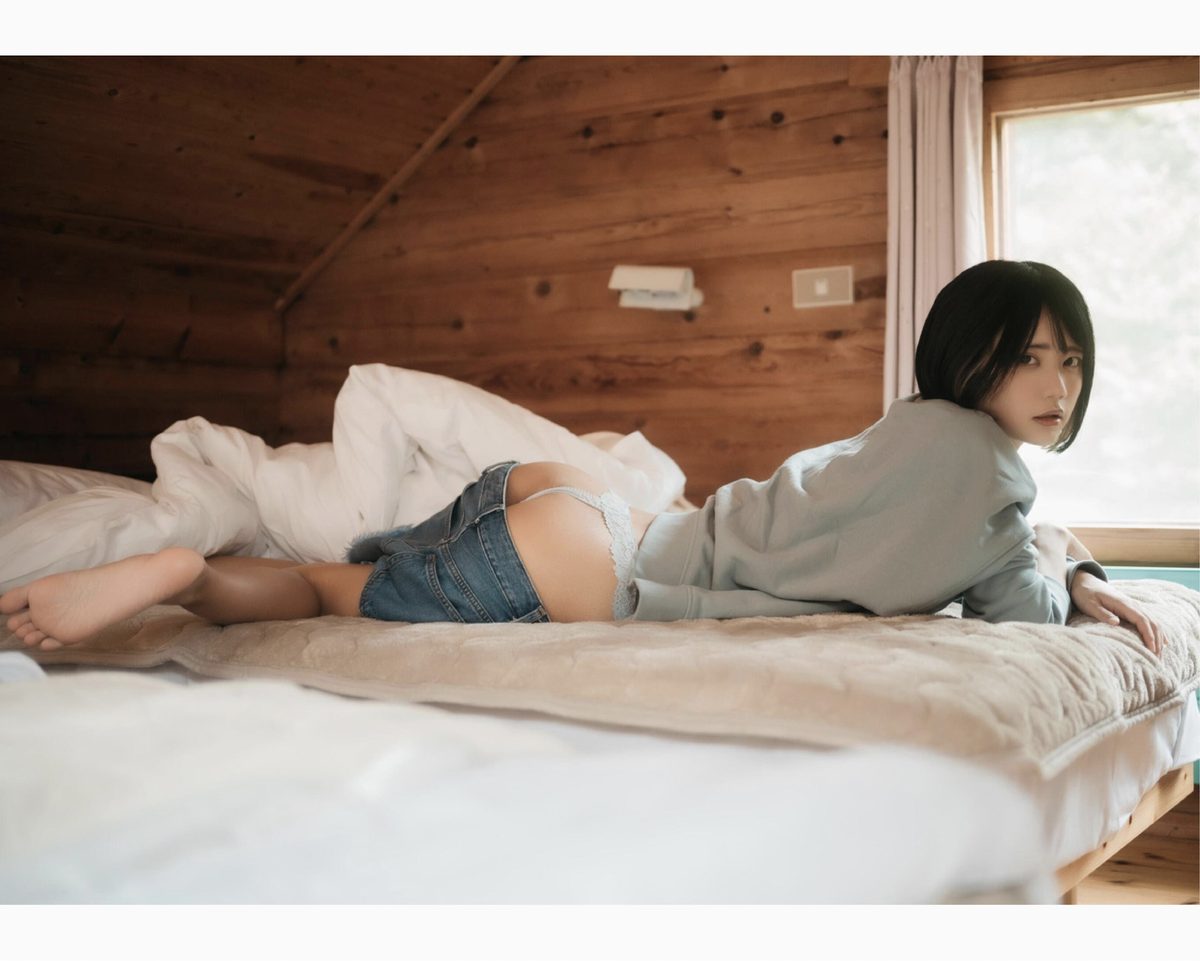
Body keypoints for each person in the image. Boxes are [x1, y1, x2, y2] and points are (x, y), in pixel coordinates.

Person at [1, 260, 1163, 656]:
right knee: (318, 589)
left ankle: (217, 558)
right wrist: (1073, 577)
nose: (1057, 385)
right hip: (596, 567)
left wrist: (1057, 558)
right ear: (970, 357)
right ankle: (178, 572)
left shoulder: (907, 427)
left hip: (579, 502)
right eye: (1031, 358)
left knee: (346, 568)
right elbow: (1020, 615)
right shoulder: (996, 486)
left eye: (1069, 361)